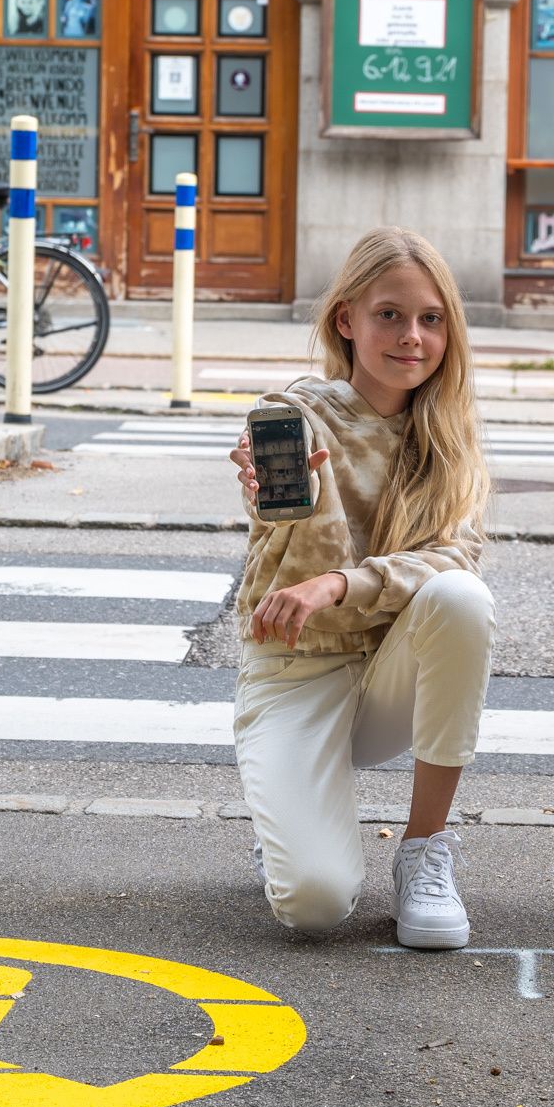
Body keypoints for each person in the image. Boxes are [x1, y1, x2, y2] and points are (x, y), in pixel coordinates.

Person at [227, 228, 495, 948]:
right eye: (390, 315)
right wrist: (288, 499)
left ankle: (424, 850)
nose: (412, 336)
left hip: (389, 678)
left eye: (430, 318)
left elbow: (455, 558)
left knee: (463, 598)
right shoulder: (294, 413)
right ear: (347, 319)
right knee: (313, 904)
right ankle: (292, 822)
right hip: (296, 671)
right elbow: (284, 568)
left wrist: (343, 584)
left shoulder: (451, 434)